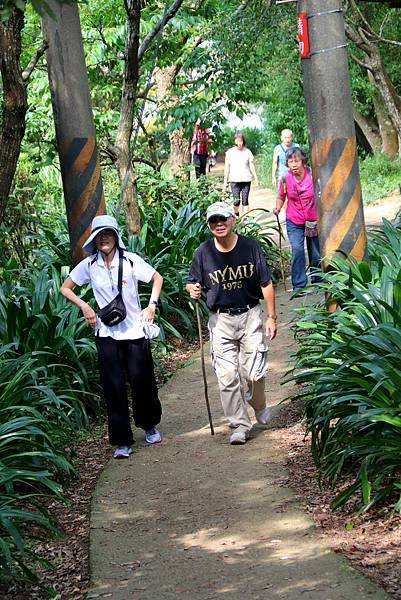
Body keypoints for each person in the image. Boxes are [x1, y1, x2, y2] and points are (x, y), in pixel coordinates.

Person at [60, 215, 163, 459]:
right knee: (113, 387)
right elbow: (65, 287)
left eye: (108, 234)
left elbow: (157, 278)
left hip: (134, 331)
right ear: (94, 240)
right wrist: (85, 306)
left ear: (116, 237)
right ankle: (122, 441)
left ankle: (149, 425)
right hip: (106, 333)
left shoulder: (129, 261)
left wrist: (152, 305)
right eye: (99, 236)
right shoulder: (89, 265)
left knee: (141, 381)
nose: (104, 239)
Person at [186, 201, 277, 445]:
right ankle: (239, 424)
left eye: (223, 219)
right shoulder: (202, 253)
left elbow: (265, 283)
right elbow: (192, 281)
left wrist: (271, 316)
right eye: (214, 220)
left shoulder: (250, 247)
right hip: (221, 320)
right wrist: (192, 289)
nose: (219, 224)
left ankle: (258, 403)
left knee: (254, 371)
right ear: (208, 224)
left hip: (250, 315)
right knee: (227, 376)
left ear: (232, 220)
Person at [273, 147, 320, 291]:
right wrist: (278, 208)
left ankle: (318, 282)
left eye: (296, 161)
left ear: (303, 161)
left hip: (313, 220)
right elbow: (281, 196)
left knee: (316, 252)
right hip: (294, 219)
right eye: (290, 161)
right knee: (298, 250)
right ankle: (299, 285)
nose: (293, 164)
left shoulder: (313, 175)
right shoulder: (285, 178)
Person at [223, 132, 259, 217]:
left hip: (246, 178)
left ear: (243, 141)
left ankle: (245, 218)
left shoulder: (247, 152)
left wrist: (256, 178)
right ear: (234, 141)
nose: (240, 143)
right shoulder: (229, 152)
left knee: (245, 199)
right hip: (234, 179)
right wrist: (225, 181)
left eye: (241, 141)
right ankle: (236, 214)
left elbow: (251, 164)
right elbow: (227, 167)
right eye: (238, 141)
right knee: (236, 201)